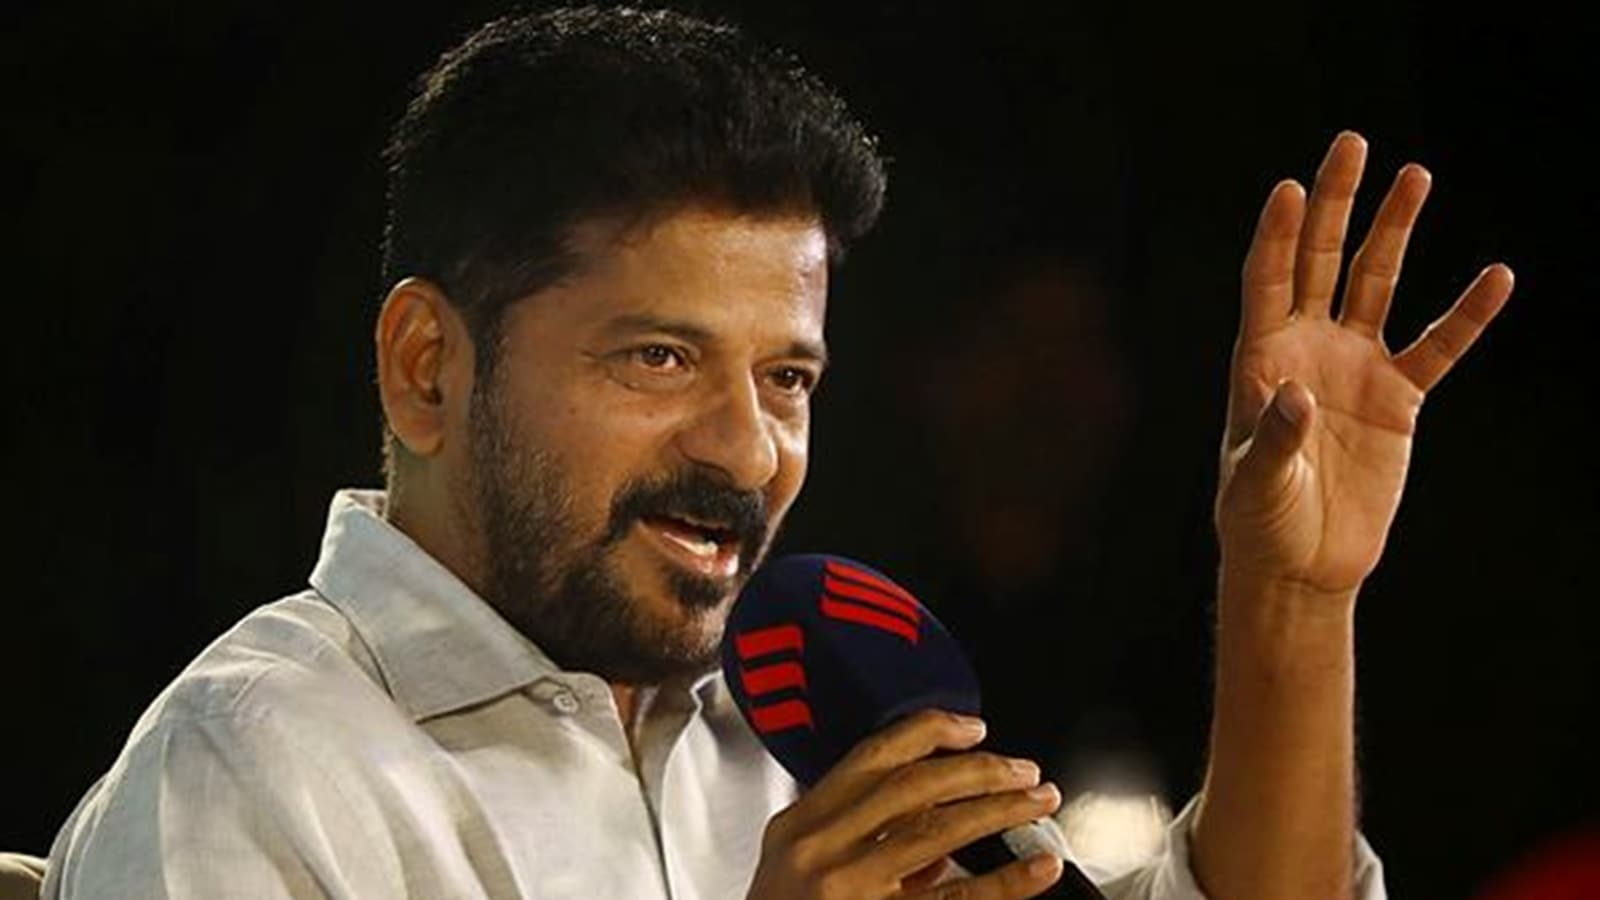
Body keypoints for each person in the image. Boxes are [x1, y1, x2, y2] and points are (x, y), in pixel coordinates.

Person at [41, 6, 1512, 899]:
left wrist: (1293, 601)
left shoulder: (800, 728)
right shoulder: (252, 771)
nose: (747, 450)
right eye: (658, 358)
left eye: (788, 376)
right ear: (428, 367)